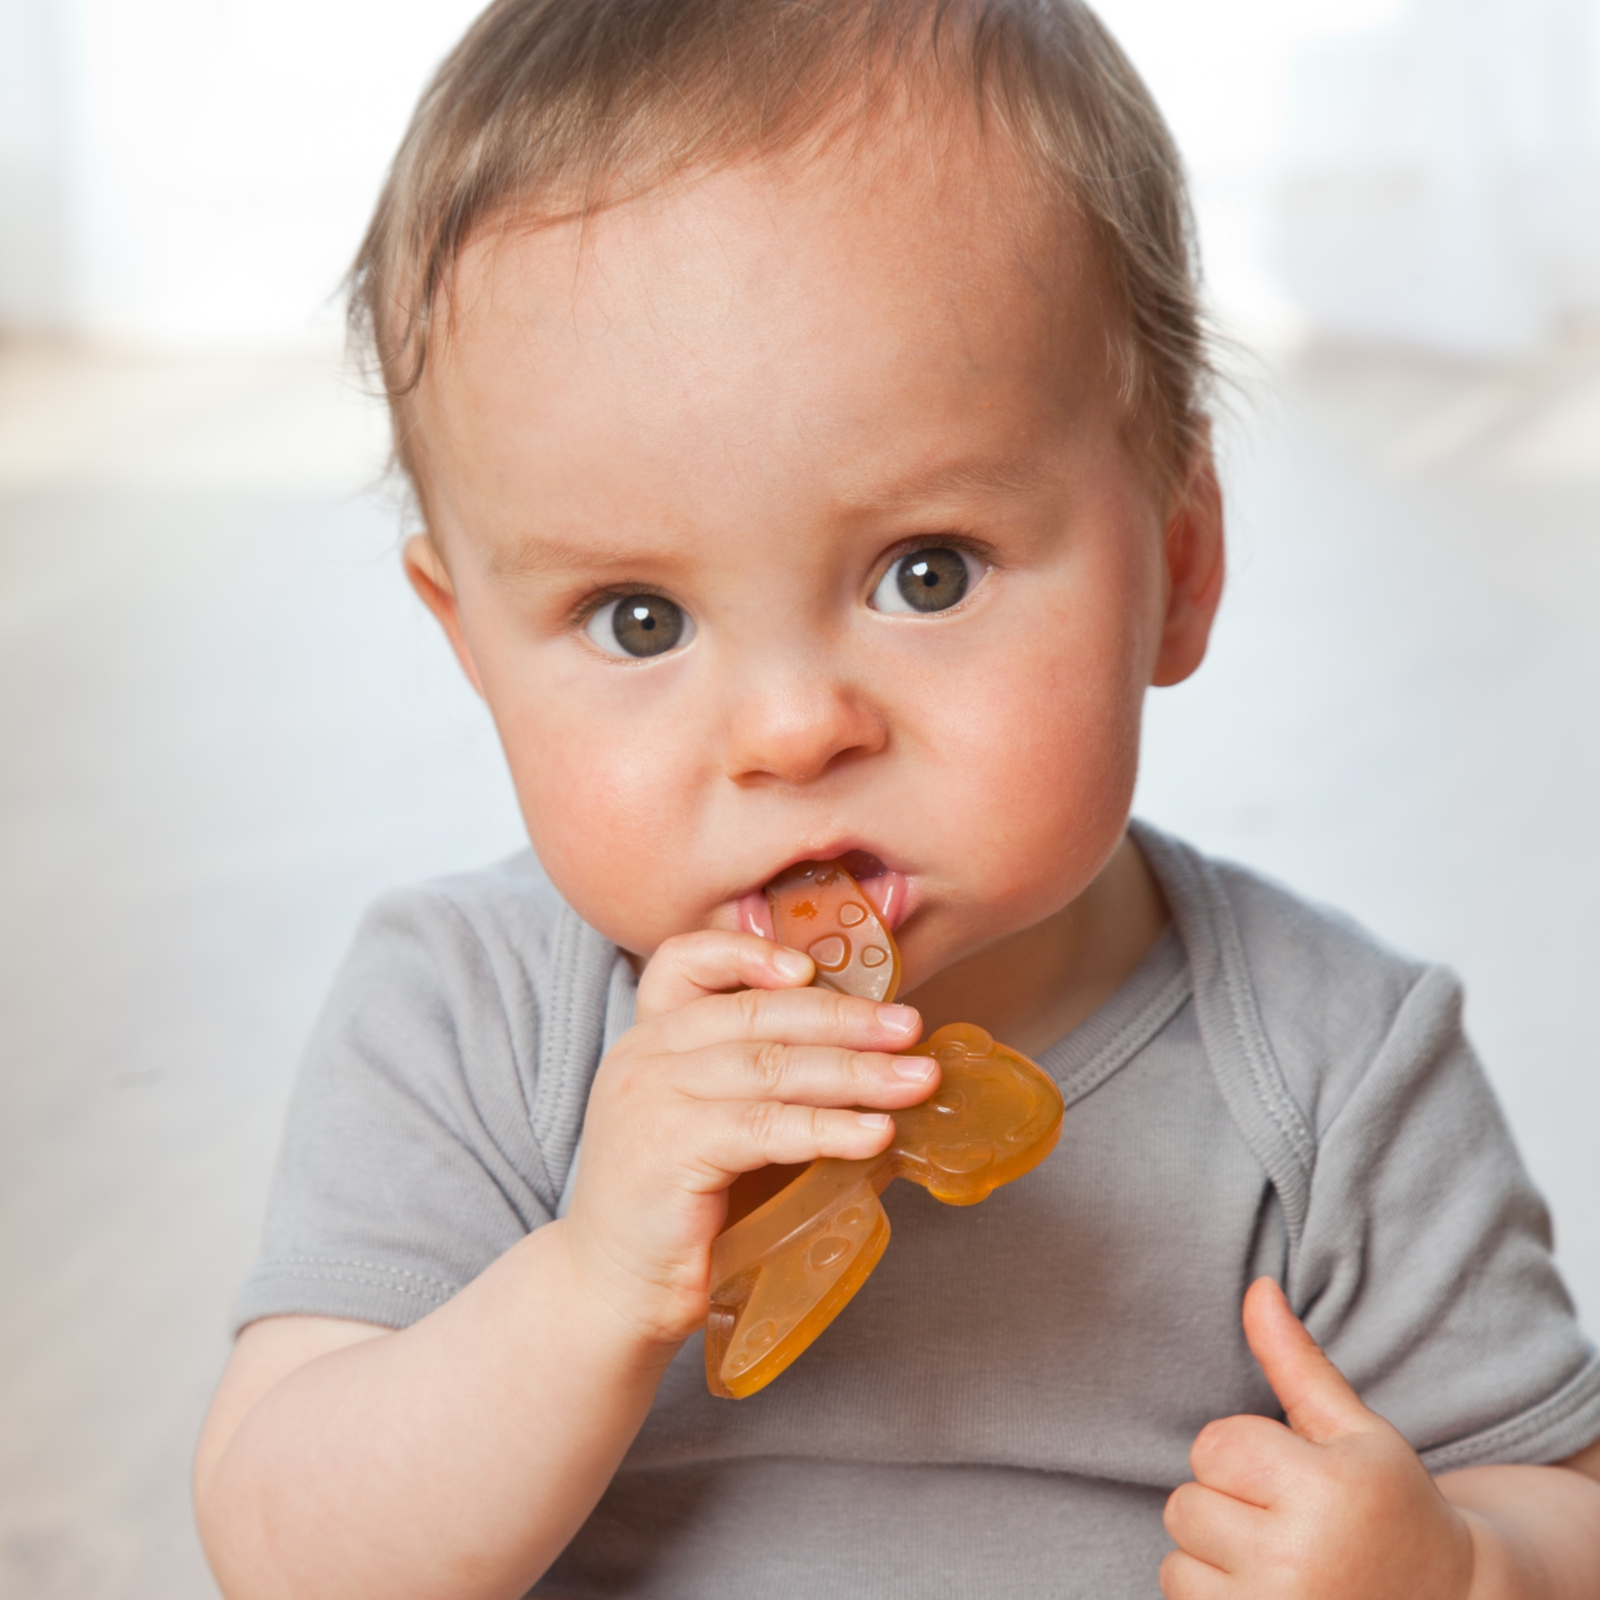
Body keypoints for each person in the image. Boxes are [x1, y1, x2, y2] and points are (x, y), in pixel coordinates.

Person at [192, 0, 1600, 1594]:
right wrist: (587, 1283)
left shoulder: (1335, 1066)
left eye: (927, 573)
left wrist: (1459, 1572)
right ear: (471, 650)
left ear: (1181, 565)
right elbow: (291, 1550)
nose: (793, 730)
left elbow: (1551, 1504)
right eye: (638, 619)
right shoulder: (471, 1019)